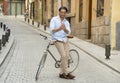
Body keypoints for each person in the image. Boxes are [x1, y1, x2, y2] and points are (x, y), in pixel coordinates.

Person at [50, 6, 75, 79]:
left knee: (67, 56)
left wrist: (65, 29)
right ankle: (66, 73)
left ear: (66, 13)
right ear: (59, 12)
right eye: (62, 12)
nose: (63, 14)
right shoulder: (54, 19)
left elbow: (69, 31)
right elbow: (51, 30)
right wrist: (59, 28)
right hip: (57, 40)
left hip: (65, 40)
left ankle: (61, 73)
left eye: (64, 12)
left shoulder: (66, 22)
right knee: (63, 55)